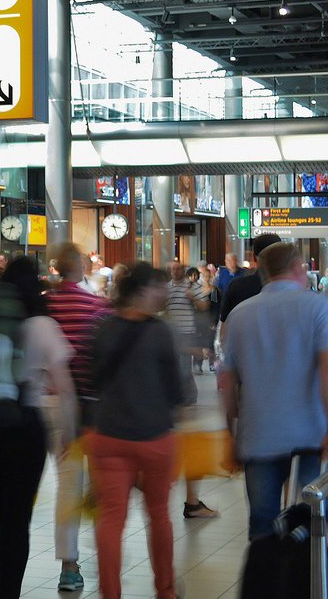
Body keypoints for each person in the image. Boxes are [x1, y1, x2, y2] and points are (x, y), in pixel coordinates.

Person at [0, 258, 74, 599]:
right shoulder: (40, 322)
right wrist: (69, 429)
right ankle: (9, 594)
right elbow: (64, 385)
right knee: (17, 519)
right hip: (25, 426)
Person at [87, 263, 184, 599]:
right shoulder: (159, 332)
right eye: (160, 288)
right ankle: (165, 590)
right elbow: (176, 389)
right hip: (154, 436)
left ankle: (110, 593)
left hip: (109, 435)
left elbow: (93, 379)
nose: (164, 294)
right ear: (142, 291)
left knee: (112, 518)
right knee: (158, 513)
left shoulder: (103, 328)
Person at [221, 241, 328, 540]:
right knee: (310, 519)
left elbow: (227, 382)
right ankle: (305, 583)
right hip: (310, 433)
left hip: (259, 435)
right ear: (298, 267)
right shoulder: (318, 307)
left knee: (262, 522)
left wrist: (230, 435)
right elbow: (326, 371)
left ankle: (264, 582)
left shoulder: (240, 315)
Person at [43, 242, 108, 592]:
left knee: (59, 482)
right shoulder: (95, 304)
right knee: (82, 485)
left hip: (43, 401)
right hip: (81, 404)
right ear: (80, 267)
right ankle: (80, 560)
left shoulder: (44, 304)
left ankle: (67, 562)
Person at [162, 262, 218, 521]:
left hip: (184, 336)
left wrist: (192, 299)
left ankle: (185, 406)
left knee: (185, 381)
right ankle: (191, 501)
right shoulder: (167, 289)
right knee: (183, 384)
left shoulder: (192, 288)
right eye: (170, 270)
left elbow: (205, 307)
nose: (173, 273)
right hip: (174, 339)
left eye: (176, 270)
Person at [218, 234, 283, 341]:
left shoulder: (236, 287)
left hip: (245, 353)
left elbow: (224, 330)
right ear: (281, 257)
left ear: (253, 257)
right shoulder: (297, 291)